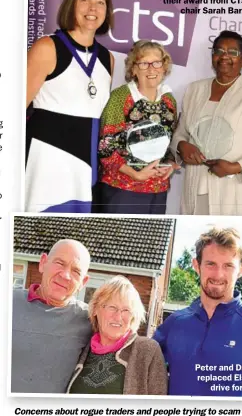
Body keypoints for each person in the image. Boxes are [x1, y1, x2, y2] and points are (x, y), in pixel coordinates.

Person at [25, 0, 114, 213]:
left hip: (86, 163)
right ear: (70, 5)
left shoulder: (108, 58)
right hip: (47, 158)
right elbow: (12, 109)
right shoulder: (47, 47)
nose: (92, 8)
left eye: (100, 1)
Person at [154, 228, 242, 397]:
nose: (218, 274)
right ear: (196, 265)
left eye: (228, 266)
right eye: (211, 264)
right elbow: (140, 364)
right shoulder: (174, 322)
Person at [171, 30, 242, 215]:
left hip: (233, 187)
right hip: (195, 185)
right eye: (219, 51)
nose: (224, 56)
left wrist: (235, 167)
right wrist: (181, 145)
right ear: (212, 57)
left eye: (232, 52)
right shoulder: (194, 89)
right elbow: (180, 132)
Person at [98, 40, 180, 214]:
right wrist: (135, 174)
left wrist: (170, 165)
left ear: (164, 67)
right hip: (123, 189)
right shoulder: (120, 97)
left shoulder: (168, 100)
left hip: (158, 190)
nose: (151, 69)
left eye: (157, 63)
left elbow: (169, 143)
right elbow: (106, 147)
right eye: (143, 64)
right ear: (133, 69)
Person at [11, 239, 92, 393]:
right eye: (60, 263)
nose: (66, 275)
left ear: (83, 282)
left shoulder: (89, 320)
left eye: (76, 271)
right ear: (43, 263)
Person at [67, 275, 167, 395]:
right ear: (95, 309)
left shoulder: (147, 350)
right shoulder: (81, 346)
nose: (118, 317)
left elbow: (158, 404)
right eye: (112, 307)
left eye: (126, 310)